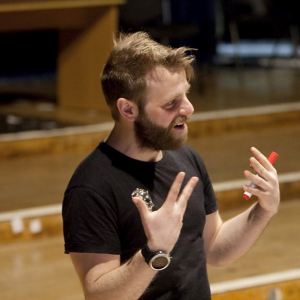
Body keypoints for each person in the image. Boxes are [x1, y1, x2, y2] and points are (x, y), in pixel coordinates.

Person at [62, 31, 280, 300]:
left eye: (185, 95)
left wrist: (263, 210)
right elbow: (99, 295)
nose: (188, 108)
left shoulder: (186, 158)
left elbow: (214, 247)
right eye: (171, 103)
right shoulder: (91, 187)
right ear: (128, 110)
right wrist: (155, 250)